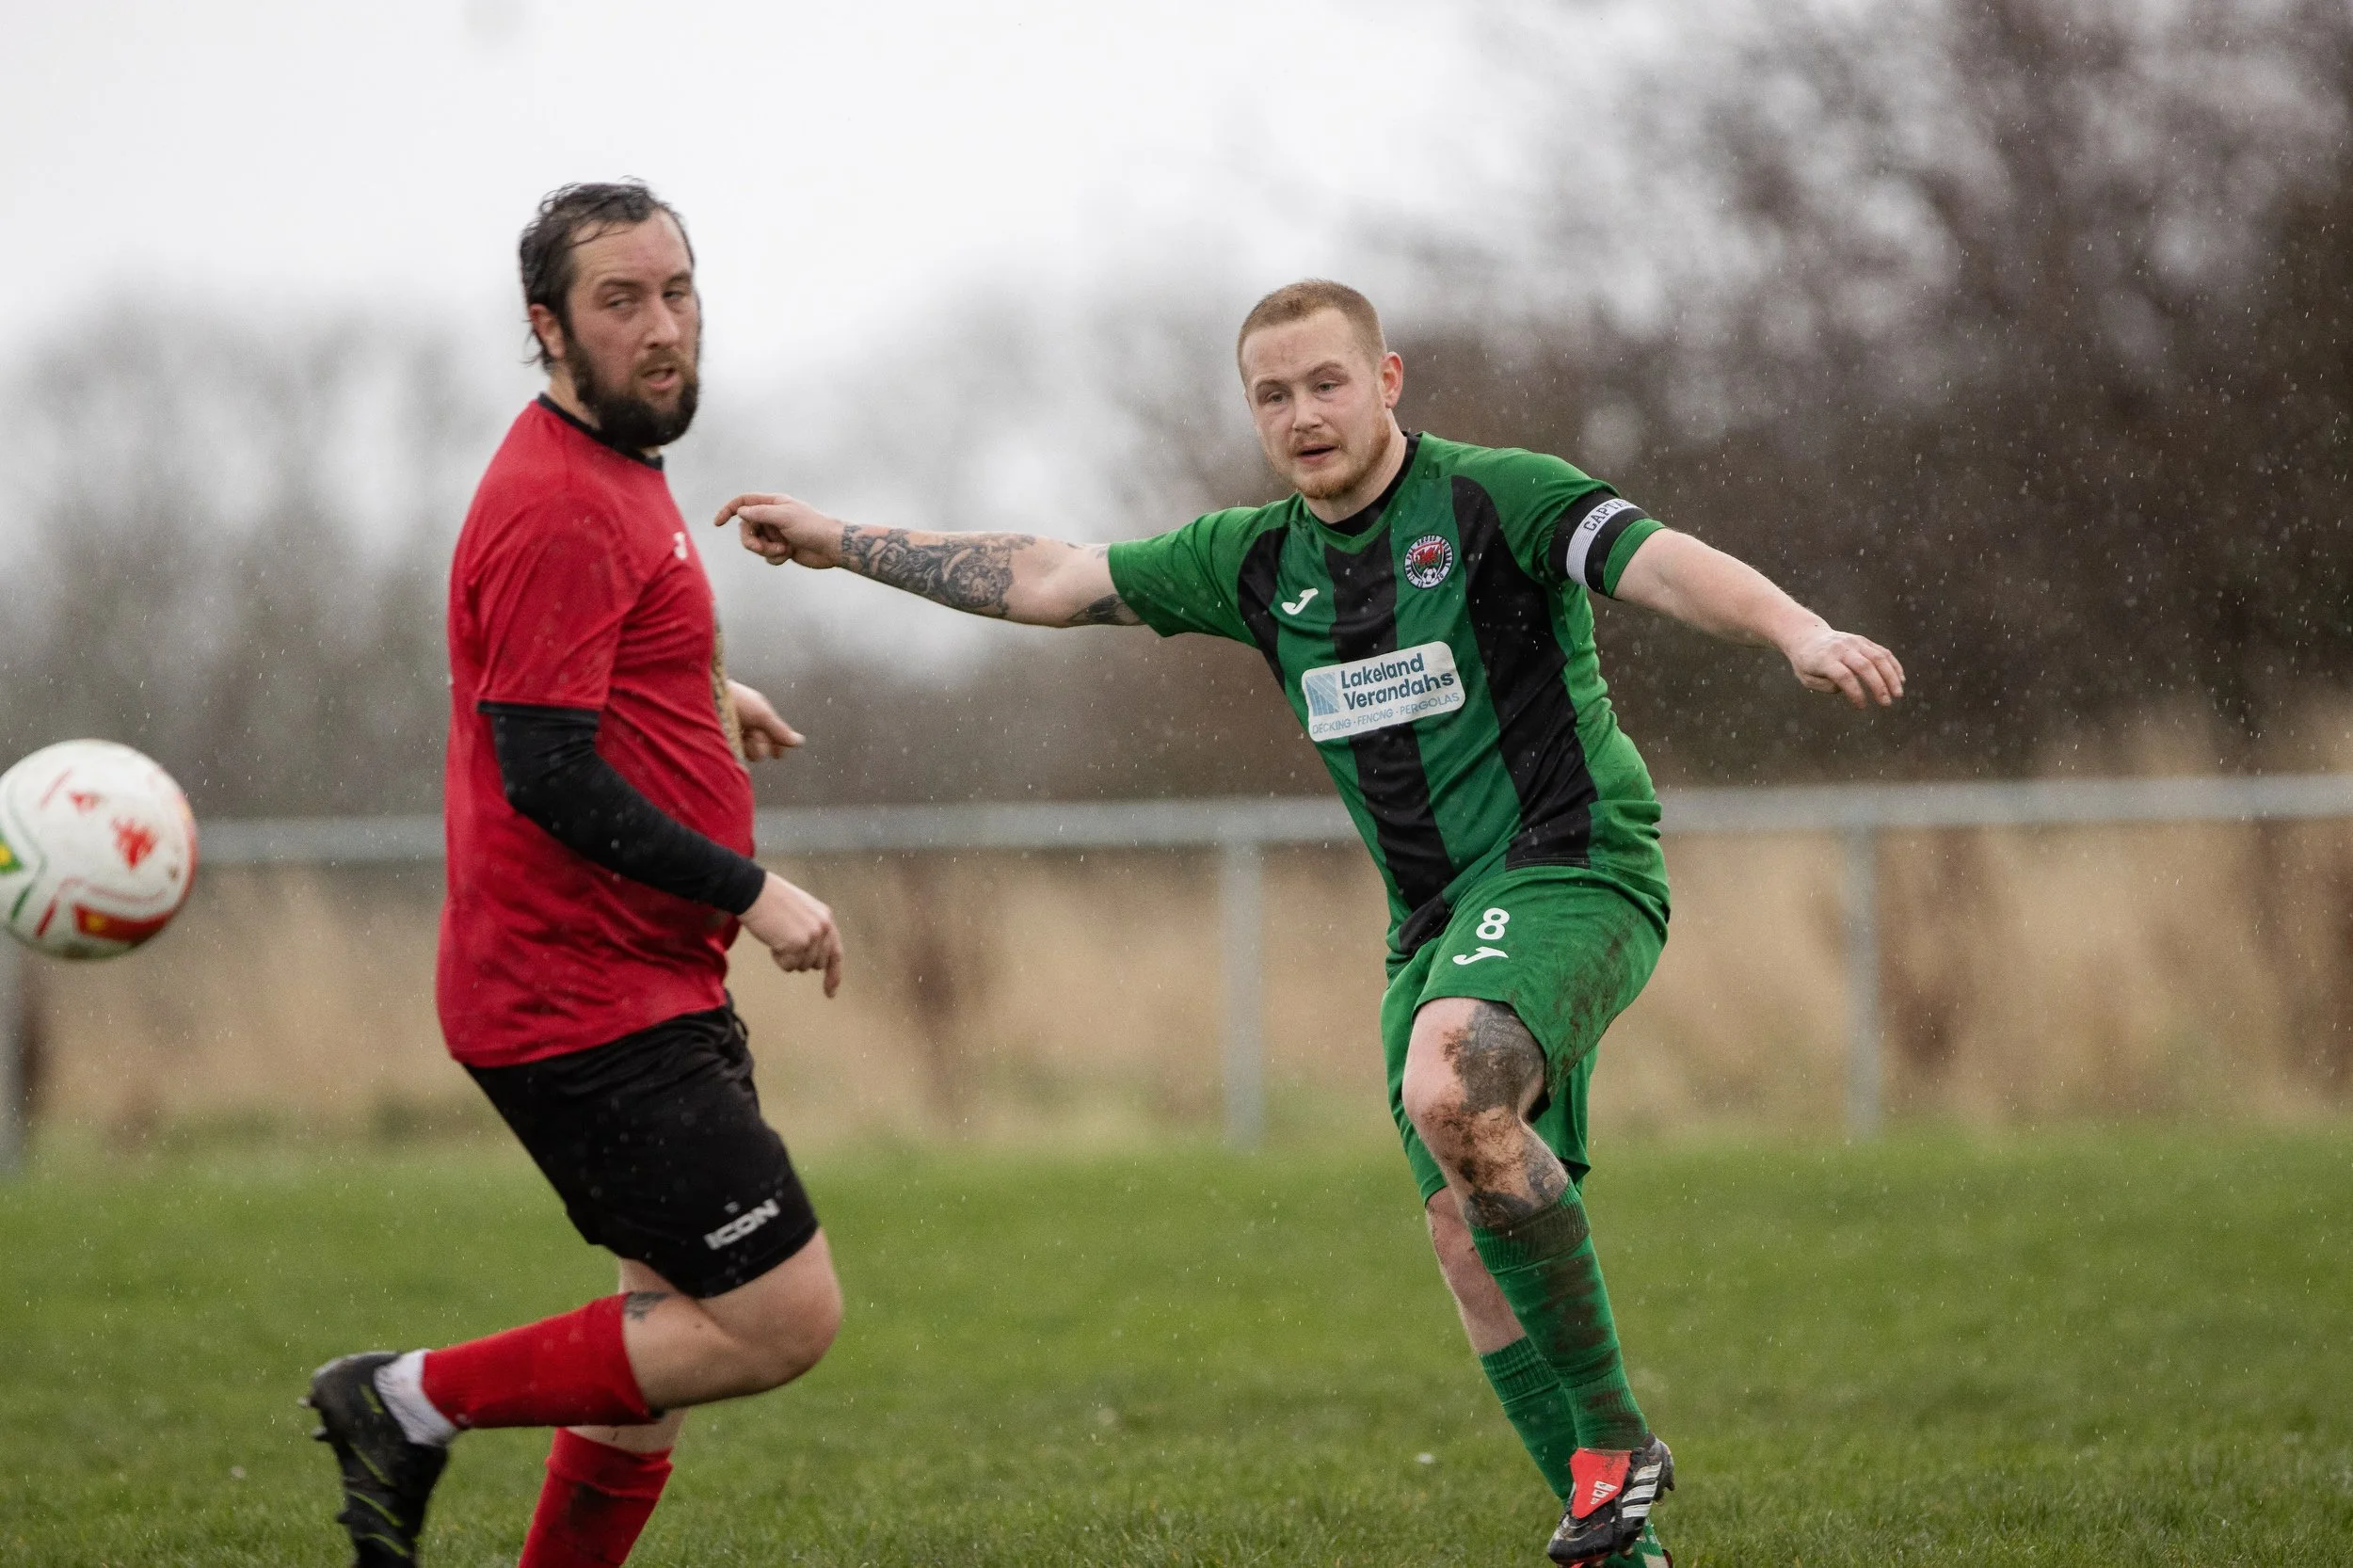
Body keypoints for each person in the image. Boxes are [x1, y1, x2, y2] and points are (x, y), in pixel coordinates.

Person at [714, 280, 1904, 1567]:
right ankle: (1623, 1554)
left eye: (1327, 382)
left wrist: (1796, 626)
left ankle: (1618, 1444)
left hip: (1573, 868)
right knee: (1461, 1231)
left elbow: (1653, 556)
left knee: (1451, 1078)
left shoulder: (1492, 496)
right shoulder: (1254, 560)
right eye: (1272, 394)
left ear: (1387, 380)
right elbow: (1055, 577)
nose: (1303, 413)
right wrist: (840, 540)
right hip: (1431, 927)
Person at [304, 182, 847, 1568]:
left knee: (650, 1353)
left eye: (679, 291)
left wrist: (700, 692)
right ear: (546, 325)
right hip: (581, 1005)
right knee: (780, 1316)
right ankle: (402, 1400)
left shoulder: (614, 465)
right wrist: (753, 888)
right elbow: (542, 770)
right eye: (622, 300)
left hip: (632, 982)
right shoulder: (555, 498)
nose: (663, 327)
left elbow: (575, 672)